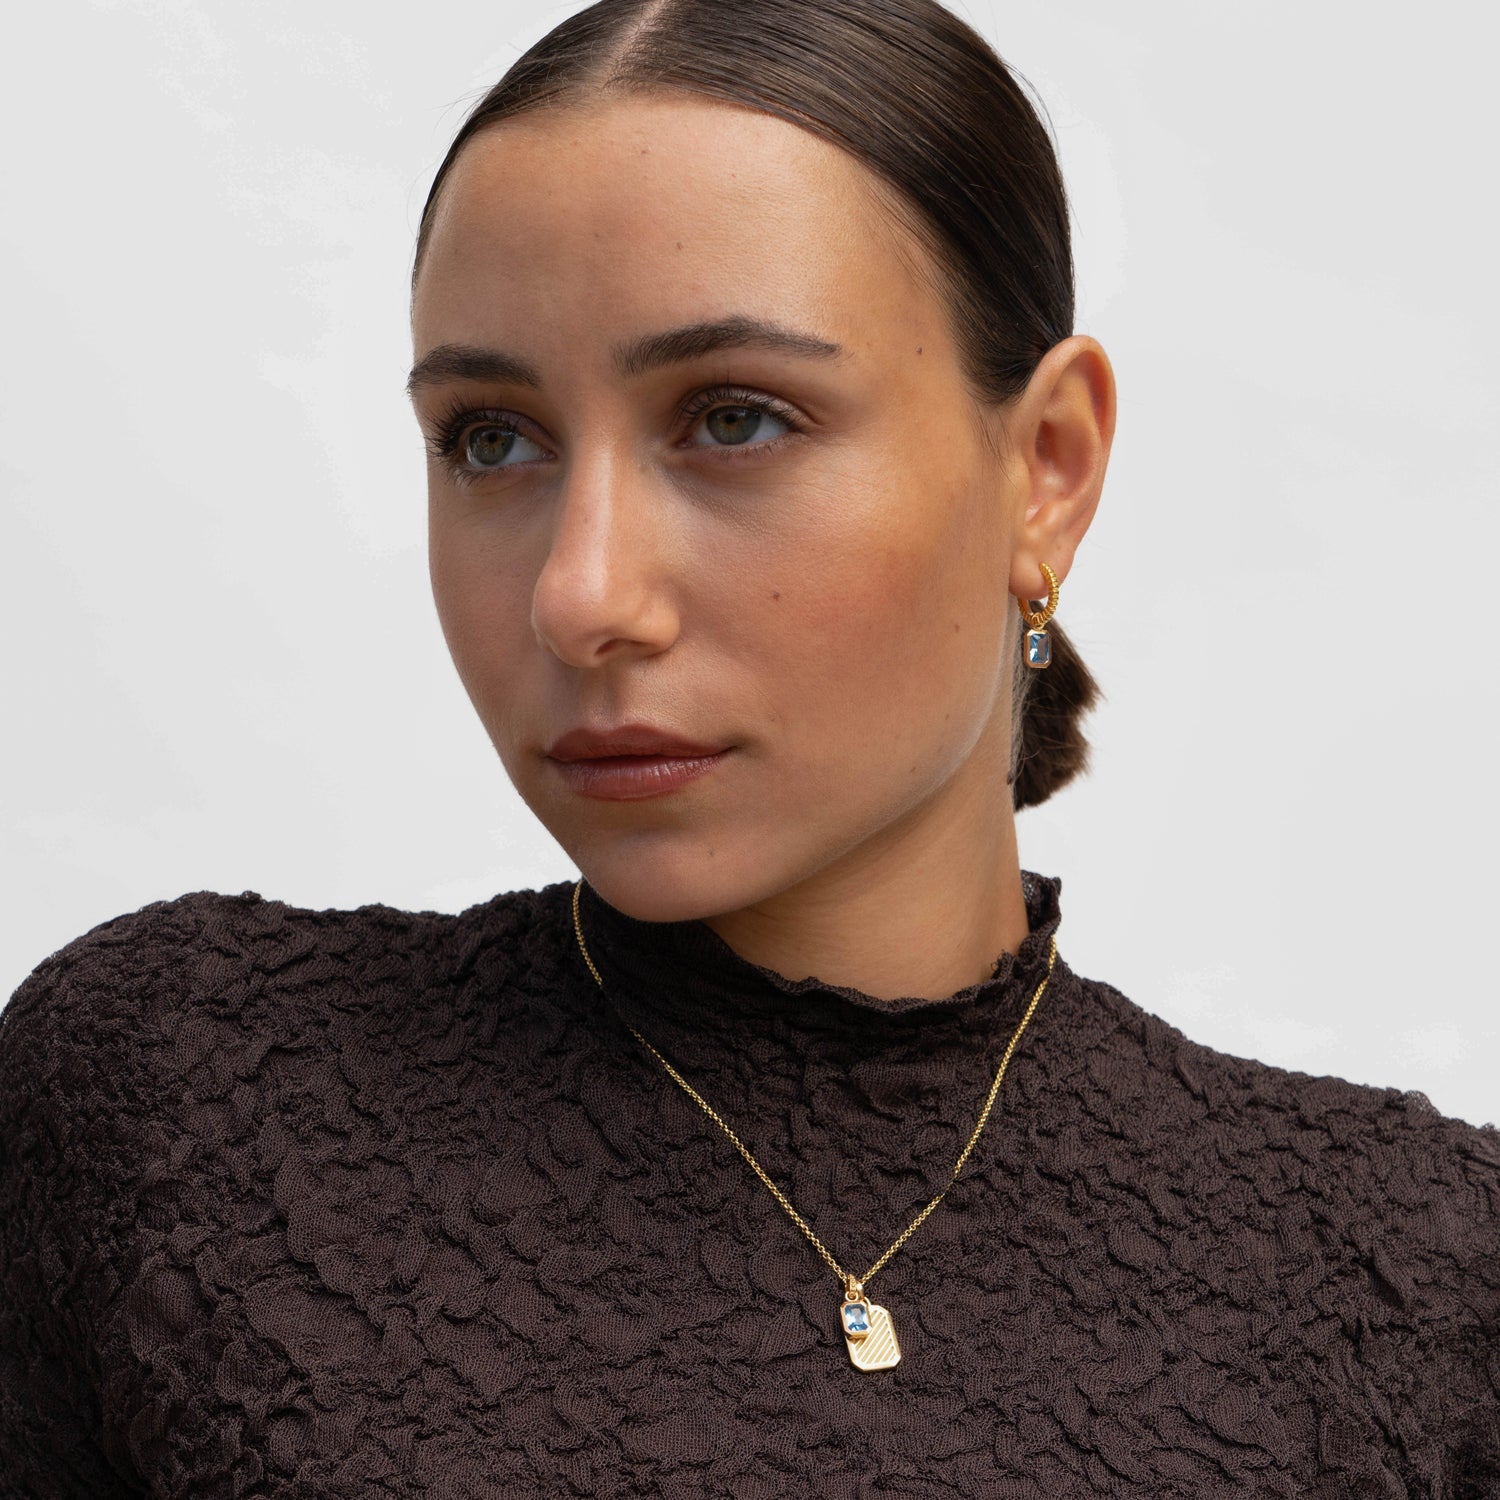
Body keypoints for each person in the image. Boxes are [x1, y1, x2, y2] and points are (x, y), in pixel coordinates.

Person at [1, 0, 1496, 1494]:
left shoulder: (1415, 1282)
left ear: (1046, 469)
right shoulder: (181, 1104)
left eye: (735, 419)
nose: (581, 595)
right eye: (490, 438)